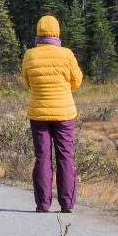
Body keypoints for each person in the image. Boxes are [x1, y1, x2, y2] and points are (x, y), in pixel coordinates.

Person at [20, 14, 84, 213]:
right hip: (64, 113)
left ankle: (43, 204)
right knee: (65, 156)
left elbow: (27, 82)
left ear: (38, 32)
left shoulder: (29, 55)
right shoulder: (67, 54)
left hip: (38, 114)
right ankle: (67, 204)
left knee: (42, 157)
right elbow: (77, 82)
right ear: (56, 31)